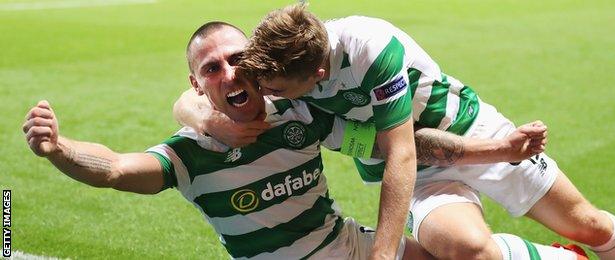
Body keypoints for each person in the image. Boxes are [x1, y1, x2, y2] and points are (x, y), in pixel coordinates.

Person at [231, 4, 615, 260]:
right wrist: (203, 118)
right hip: (418, 173)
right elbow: (203, 97)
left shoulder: (368, 47)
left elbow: (401, 151)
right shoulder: (278, 63)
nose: (267, 97)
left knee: (590, 225)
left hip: (473, 131)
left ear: (317, 76)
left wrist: (382, 255)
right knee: (466, 248)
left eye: (276, 91)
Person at [21, 22, 438, 260]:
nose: (231, 74)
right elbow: (114, 168)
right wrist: (60, 149)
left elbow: (384, 145)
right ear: (196, 85)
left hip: (350, 247)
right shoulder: (191, 154)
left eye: (238, 60)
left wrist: (496, 151)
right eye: (212, 68)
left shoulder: (301, 113)